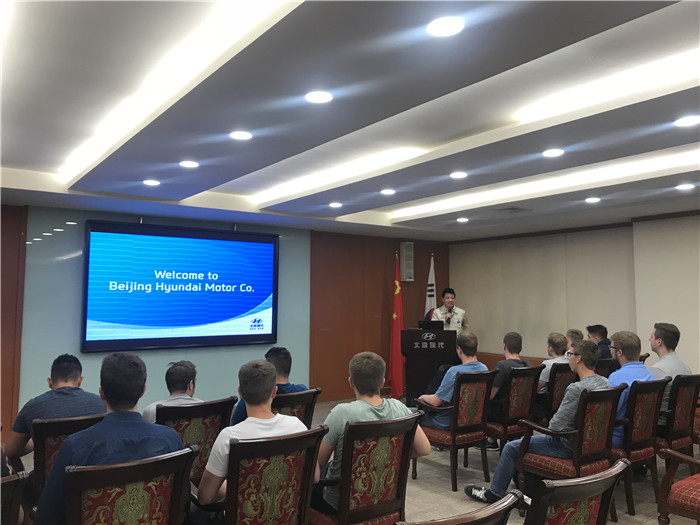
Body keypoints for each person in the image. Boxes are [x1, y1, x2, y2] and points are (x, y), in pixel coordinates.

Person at [35, 353, 183, 524]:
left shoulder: (75, 446)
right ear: (143, 391)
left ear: (101, 393)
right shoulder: (171, 440)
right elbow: (182, 500)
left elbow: (46, 517)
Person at [465, 340, 610, 504]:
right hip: (593, 447)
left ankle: (494, 494)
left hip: (567, 446)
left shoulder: (576, 389)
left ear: (579, 358)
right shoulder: (605, 382)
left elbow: (555, 428)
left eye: (570, 354)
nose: (568, 357)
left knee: (511, 448)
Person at [311, 352, 431, 514]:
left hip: (340, 504)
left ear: (350, 382)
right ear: (382, 382)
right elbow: (424, 449)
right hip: (387, 496)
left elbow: (318, 461)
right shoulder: (399, 408)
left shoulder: (341, 413)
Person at [197, 360, 307, 505]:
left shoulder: (229, 437)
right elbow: (315, 477)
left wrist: (231, 486)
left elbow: (204, 497)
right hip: (289, 512)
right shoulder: (298, 426)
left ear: (240, 393)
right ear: (274, 391)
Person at [5, 354, 105, 460]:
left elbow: (11, 451)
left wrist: (39, 441)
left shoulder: (32, 407)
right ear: (80, 380)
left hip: (52, 471)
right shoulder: (102, 404)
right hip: (94, 470)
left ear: (50, 382)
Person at [417, 331, 488, 429]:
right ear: (477, 348)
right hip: (475, 422)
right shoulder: (484, 369)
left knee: (413, 419)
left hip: (448, 424)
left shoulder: (454, 372)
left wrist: (422, 397)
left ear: (459, 350)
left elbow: (435, 402)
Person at [230, 346, 308, 425]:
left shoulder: (253, 397)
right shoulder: (303, 390)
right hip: (296, 432)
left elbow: (235, 422)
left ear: (269, 370)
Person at [608, 331, 654, 448]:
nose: (610, 350)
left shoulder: (616, 378)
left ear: (619, 352)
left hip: (618, 438)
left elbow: (609, 413)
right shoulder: (651, 375)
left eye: (611, 347)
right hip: (645, 435)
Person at [648, 322, 692, 428]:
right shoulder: (686, 368)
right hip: (682, 424)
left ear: (659, 341)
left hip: (661, 426)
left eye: (651, 337)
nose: (649, 339)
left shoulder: (657, 369)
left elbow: (648, 403)